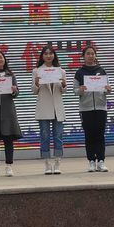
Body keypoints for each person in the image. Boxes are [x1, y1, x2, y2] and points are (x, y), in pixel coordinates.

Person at [73, 46, 112, 172]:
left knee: (100, 134)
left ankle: (101, 161)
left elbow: (107, 89)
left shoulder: (102, 71)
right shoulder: (80, 72)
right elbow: (75, 91)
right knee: (89, 135)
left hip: (100, 107)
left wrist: (108, 89)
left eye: (92, 54)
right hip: (86, 108)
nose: (90, 56)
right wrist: (80, 90)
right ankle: (91, 161)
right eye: (88, 54)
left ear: (95, 56)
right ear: (83, 56)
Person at [32, 45, 66, 175]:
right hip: (44, 108)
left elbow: (64, 91)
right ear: (42, 56)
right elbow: (34, 91)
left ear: (54, 56)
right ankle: (46, 163)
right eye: (45, 53)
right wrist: (36, 83)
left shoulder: (61, 71)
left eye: (50, 53)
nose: (48, 56)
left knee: (58, 135)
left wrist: (63, 85)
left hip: (57, 108)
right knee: (45, 136)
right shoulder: (37, 71)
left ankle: (57, 162)